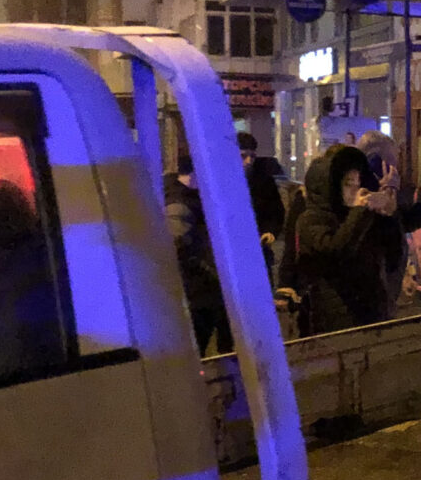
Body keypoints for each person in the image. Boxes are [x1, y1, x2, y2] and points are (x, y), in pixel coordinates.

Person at [285, 142, 393, 334]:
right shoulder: (311, 219)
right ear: (331, 186)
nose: (356, 190)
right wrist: (360, 211)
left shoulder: (354, 215)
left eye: (358, 183)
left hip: (369, 316)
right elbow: (337, 250)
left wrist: (390, 209)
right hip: (332, 321)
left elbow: (391, 246)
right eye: (348, 184)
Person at [358, 130, 421, 317]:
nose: (397, 164)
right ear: (377, 160)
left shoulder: (384, 188)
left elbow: (401, 220)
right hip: (373, 281)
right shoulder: (365, 191)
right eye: (393, 158)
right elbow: (382, 227)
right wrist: (387, 192)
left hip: (384, 280)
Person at [164, 153, 234, 355]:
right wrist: (203, 267)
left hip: (205, 289)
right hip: (197, 292)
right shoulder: (179, 205)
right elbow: (176, 248)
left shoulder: (190, 198)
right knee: (196, 352)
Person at [237, 132, 287, 276]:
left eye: (252, 156)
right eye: (243, 156)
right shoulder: (218, 182)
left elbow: (276, 212)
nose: (248, 161)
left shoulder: (264, 180)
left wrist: (270, 231)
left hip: (258, 249)